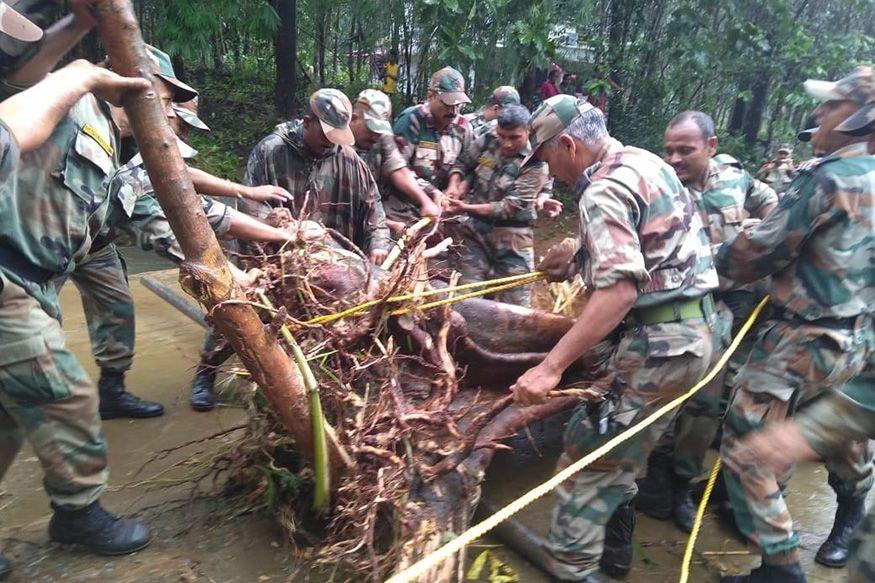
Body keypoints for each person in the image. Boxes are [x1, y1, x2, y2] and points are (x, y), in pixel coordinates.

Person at [510, 95, 717, 582]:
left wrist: (550, 367)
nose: (549, 169)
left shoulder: (602, 189)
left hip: (658, 346)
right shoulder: (642, 161)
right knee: (620, 449)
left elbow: (620, 291)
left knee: (585, 464)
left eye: (547, 157)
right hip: (693, 335)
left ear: (568, 144)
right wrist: (578, 254)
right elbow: (656, 245)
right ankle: (616, 553)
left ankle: (574, 570)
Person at [716, 66, 874, 583]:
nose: (819, 114)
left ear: (859, 118)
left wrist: (713, 259)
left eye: (831, 105)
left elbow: (760, 252)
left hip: (801, 340)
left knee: (749, 447)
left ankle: (780, 569)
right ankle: (846, 514)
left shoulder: (826, 177)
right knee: (834, 429)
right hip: (857, 340)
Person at [189, 88, 390, 409]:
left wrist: (379, 242)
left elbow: (373, 207)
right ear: (307, 122)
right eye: (326, 135)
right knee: (239, 312)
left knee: (324, 328)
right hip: (271, 257)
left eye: (337, 136)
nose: (331, 142)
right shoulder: (271, 151)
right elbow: (250, 208)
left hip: (326, 265)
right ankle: (206, 371)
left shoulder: (347, 158)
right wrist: (284, 237)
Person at [634, 111, 777, 532]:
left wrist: (762, 232)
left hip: (734, 301)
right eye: (669, 150)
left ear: (711, 147)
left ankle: (682, 484)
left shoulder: (735, 177)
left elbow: (773, 204)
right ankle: (654, 478)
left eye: (685, 150)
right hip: (682, 303)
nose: (674, 158)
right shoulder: (661, 187)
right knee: (667, 394)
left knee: (707, 404)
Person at [442, 104, 549, 306]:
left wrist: (464, 208)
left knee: (516, 306)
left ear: (528, 131)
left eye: (514, 137)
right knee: (465, 300)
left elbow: (508, 207)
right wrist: (454, 185)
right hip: (475, 234)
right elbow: (463, 163)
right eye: (502, 136)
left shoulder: (537, 162)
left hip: (513, 240)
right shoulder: (488, 140)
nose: (506, 144)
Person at [390, 66, 472, 228]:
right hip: (403, 206)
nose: (453, 111)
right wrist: (431, 192)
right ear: (430, 96)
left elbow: (465, 163)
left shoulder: (463, 127)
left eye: (458, 105)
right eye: (447, 104)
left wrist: (454, 184)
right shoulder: (412, 119)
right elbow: (397, 169)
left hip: (442, 208)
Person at [349, 88, 440, 229]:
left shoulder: (381, 136)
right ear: (354, 119)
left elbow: (398, 170)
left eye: (379, 129)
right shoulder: (337, 145)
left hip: (376, 206)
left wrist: (425, 201)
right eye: (371, 129)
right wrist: (389, 224)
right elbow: (346, 205)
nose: (375, 135)